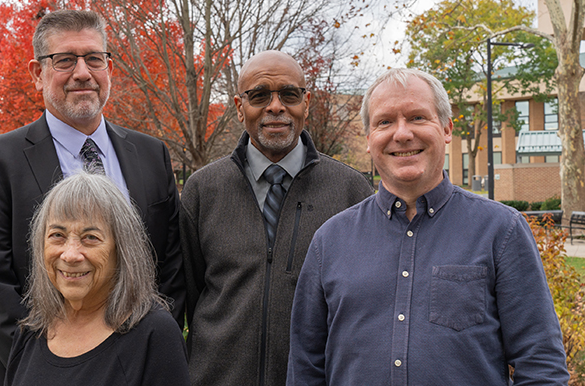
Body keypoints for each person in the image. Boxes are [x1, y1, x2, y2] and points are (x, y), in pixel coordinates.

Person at [287, 68, 570, 385]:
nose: (402, 133)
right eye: (385, 122)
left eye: (418, 118)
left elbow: (541, 364)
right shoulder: (330, 241)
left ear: (447, 128)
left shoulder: (501, 231)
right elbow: (305, 367)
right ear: (368, 139)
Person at [0, 10, 184, 386]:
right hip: (24, 369)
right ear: (36, 72)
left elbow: (171, 268)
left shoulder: (151, 154)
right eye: (64, 60)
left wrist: (149, 348)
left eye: (94, 58)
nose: (83, 73)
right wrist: (60, 365)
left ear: (108, 67)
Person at [180, 50, 373, 386]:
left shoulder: (350, 191)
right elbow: (190, 295)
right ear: (240, 107)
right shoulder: (202, 190)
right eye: (259, 95)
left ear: (306, 103)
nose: (275, 106)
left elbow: (364, 305)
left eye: (289, 94)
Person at [4, 173, 189, 386]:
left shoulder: (154, 335)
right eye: (57, 235)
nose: (70, 254)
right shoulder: (32, 330)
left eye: (90, 237)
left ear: (121, 250)